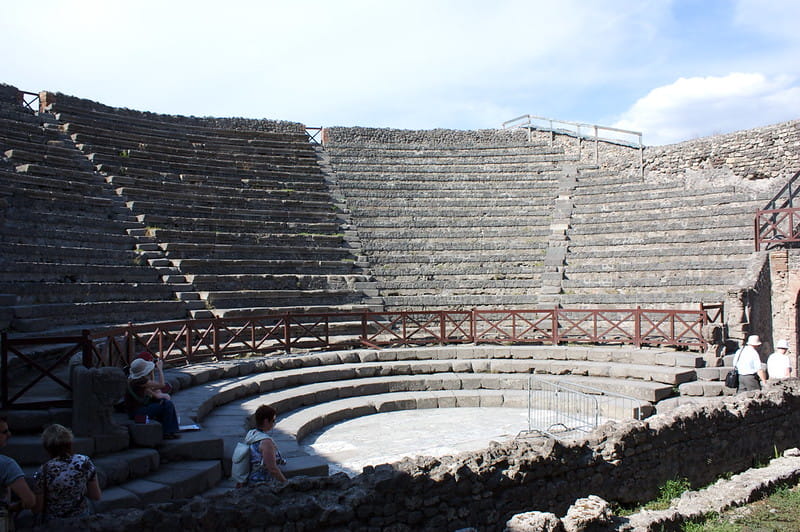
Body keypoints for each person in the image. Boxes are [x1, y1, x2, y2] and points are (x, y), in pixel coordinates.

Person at [32, 424, 101, 522]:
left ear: (47, 447)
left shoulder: (44, 470)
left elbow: (37, 508)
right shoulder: (84, 462)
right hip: (82, 520)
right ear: (70, 442)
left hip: (55, 523)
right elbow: (96, 495)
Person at [125, 357, 181, 439]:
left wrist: (151, 372)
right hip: (138, 412)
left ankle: (170, 430)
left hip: (135, 410)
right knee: (167, 404)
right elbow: (162, 385)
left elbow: (153, 387)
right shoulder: (140, 381)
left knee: (163, 402)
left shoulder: (132, 380)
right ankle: (168, 431)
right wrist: (160, 369)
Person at [0, 416, 35, 523]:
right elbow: (29, 500)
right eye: (4, 432)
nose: (9, 435)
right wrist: (15, 507)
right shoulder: (7, 464)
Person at [246, 405, 287, 485]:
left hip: (252, 478)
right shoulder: (266, 442)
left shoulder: (251, 433)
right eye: (273, 420)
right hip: (263, 482)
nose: (274, 423)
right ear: (266, 421)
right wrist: (285, 482)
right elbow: (272, 468)